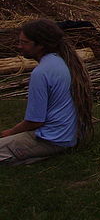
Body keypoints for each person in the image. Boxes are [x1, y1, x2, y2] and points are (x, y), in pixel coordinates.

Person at [0, 18, 93, 165]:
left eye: (24, 43)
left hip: (52, 139)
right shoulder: (63, 61)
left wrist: (8, 133)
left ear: (41, 45)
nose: (19, 46)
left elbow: (34, 121)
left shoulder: (41, 72)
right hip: (71, 136)